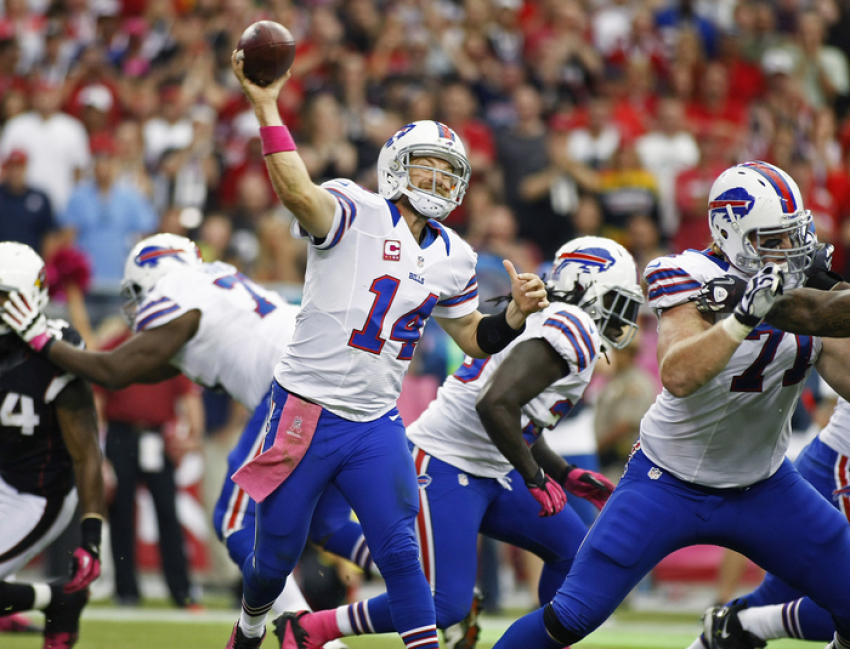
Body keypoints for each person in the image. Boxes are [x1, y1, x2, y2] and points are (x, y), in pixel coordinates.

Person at [215, 53, 548, 649]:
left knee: (400, 552)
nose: (440, 182)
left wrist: (515, 316)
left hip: (375, 421)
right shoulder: (354, 209)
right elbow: (295, 190)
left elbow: (474, 336)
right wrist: (265, 104)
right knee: (273, 557)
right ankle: (250, 625)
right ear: (395, 166)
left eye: (450, 174)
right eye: (428, 168)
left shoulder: (456, 256)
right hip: (305, 410)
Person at [489, 160, 850, 649]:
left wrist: (829, 305)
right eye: (773, 239)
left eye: (793, 235)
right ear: (731, 234)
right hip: (669, 483)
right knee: (571, 618)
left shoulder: (804, 289)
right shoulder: (686, 272)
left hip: (766, 485)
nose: (789, 251)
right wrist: (745, 315)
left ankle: (729, 633)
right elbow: (679, 374)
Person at [272, 236, 641, 649]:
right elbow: (495, 405)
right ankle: (312, 628)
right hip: (445, 463)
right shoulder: (572, 327)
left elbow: (513, 418)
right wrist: (536, 478)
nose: (623, 314)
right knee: (443, 606)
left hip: (490, 467)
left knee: (575, 557)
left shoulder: (556, 321)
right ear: (583, 285)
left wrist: (564, 473)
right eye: (617, 299)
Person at [0, 233, 371, 631]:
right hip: (338, 378)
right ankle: (431, 579)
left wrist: (39, 338)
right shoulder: (215, 284)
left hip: (296, 387)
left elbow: (112, 370)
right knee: (330, 525)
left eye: (140, 291)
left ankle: (305, 629)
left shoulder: (181, 293)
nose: (138, 304)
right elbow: (129, 372)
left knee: (234, 523)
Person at [0, 242, 105, 649]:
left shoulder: (55, 354)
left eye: (3, 295)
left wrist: (91, 538)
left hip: (38, 496)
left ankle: (59, 598)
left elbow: (86, 452)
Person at [684, 396, 850, 649]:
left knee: (773, 598)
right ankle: (750, 624)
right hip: (838, 471)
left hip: (829, 463)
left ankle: (741, 624)